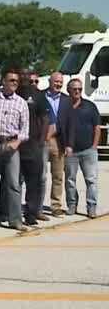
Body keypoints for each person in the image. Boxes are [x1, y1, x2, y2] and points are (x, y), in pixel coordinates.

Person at [0, 68, 30, 232]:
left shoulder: (21, 103)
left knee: (14, 184)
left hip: (12, 147)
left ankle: (15, 220)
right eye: (11, 80)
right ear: (3, 81)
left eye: (16, 81)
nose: (14, 84)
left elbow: (25, 130)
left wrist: (17, 142)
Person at [16, 69, 50, 225]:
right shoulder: (13, 93)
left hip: (33, 146)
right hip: (15, 146)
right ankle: (12, 213)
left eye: (26, 76)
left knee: (33, 182)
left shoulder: (38, 96)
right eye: (20, 76)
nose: (23, 78)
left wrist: (41, 142)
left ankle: (31, 214)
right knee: (14, 182)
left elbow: (45, 120)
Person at [64, 78, 101, 218]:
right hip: (70, 151)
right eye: (74, 89)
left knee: (91, 180)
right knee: (70, 180)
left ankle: (91, 207)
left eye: (79, 89)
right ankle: (72, 205)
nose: (77, 91)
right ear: (69, 90)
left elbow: (97, 127)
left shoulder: (90, 106)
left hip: (88, 150)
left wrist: (94, 146)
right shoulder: (64, 106)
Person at [44, 72, 72, 217]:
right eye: (56, 81)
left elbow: (70, 123)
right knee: (39, 175)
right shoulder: (40, 96)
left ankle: (56, 206)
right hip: (42, 140)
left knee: (58, 175)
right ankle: (35, 207)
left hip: (58, 141)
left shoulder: (67, 100)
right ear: (50, 81)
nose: (58, 84)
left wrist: (69, 144)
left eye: (60, 82)